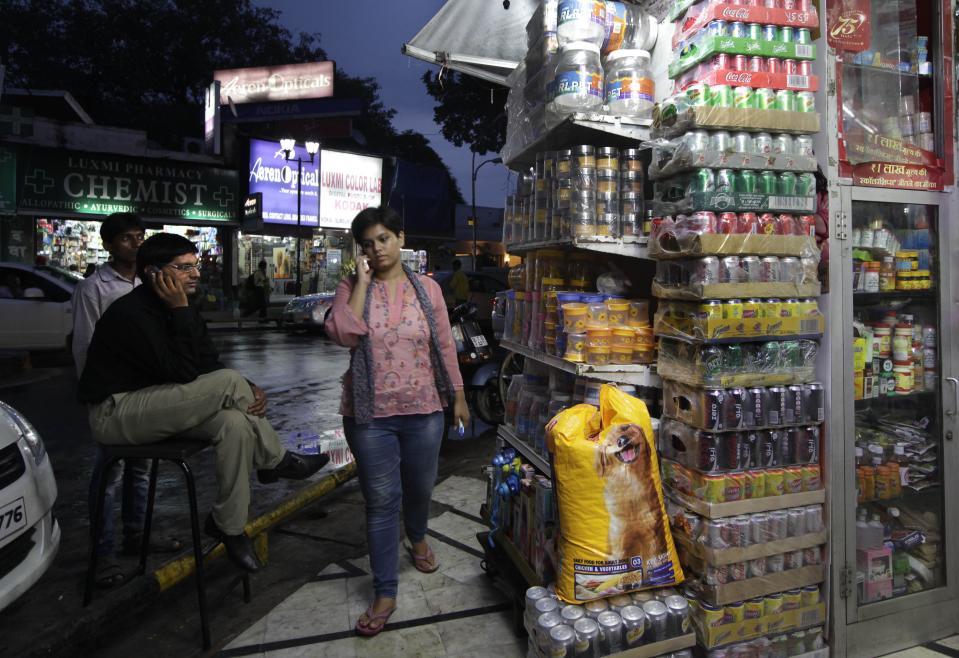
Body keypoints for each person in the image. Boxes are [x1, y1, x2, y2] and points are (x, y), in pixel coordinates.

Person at [79, 233, 329, 573]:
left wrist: (251, 386)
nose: (195, 273)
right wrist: (180, 309)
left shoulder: (183, 308)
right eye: (183, 268)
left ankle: (228, 525)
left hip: (157, 405)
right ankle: (275, 460)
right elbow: (183, 373)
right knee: (229, 384)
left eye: (194, 266)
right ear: (154, 273)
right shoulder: (132, 314)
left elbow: (208, 362)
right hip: (116, 413)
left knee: (236, 424)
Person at [326, 207, 469, 637]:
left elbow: (444, 344)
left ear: (400, 238)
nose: (377, 249)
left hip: (424, 409)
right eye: (368, 243)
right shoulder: (351, 287)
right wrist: (362, 283)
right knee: (382, 502)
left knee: (420, 488)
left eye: (384, 238)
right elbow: (343, 334)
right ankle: (386, 590)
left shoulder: (428, 289)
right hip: (370, 416)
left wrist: (458, 396)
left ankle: (419, 534)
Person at [72, 213, 175, 588]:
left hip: (146, 394)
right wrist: (93, 397)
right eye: (127, 239)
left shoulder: (152, 282)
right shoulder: (94, 289)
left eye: (139, 237)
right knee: (109, 474)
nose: (135, 243)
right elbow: (84, 346)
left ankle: (138, 536)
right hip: (111, 396)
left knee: (142, 471)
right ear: (110, 245)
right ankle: (103, 555)